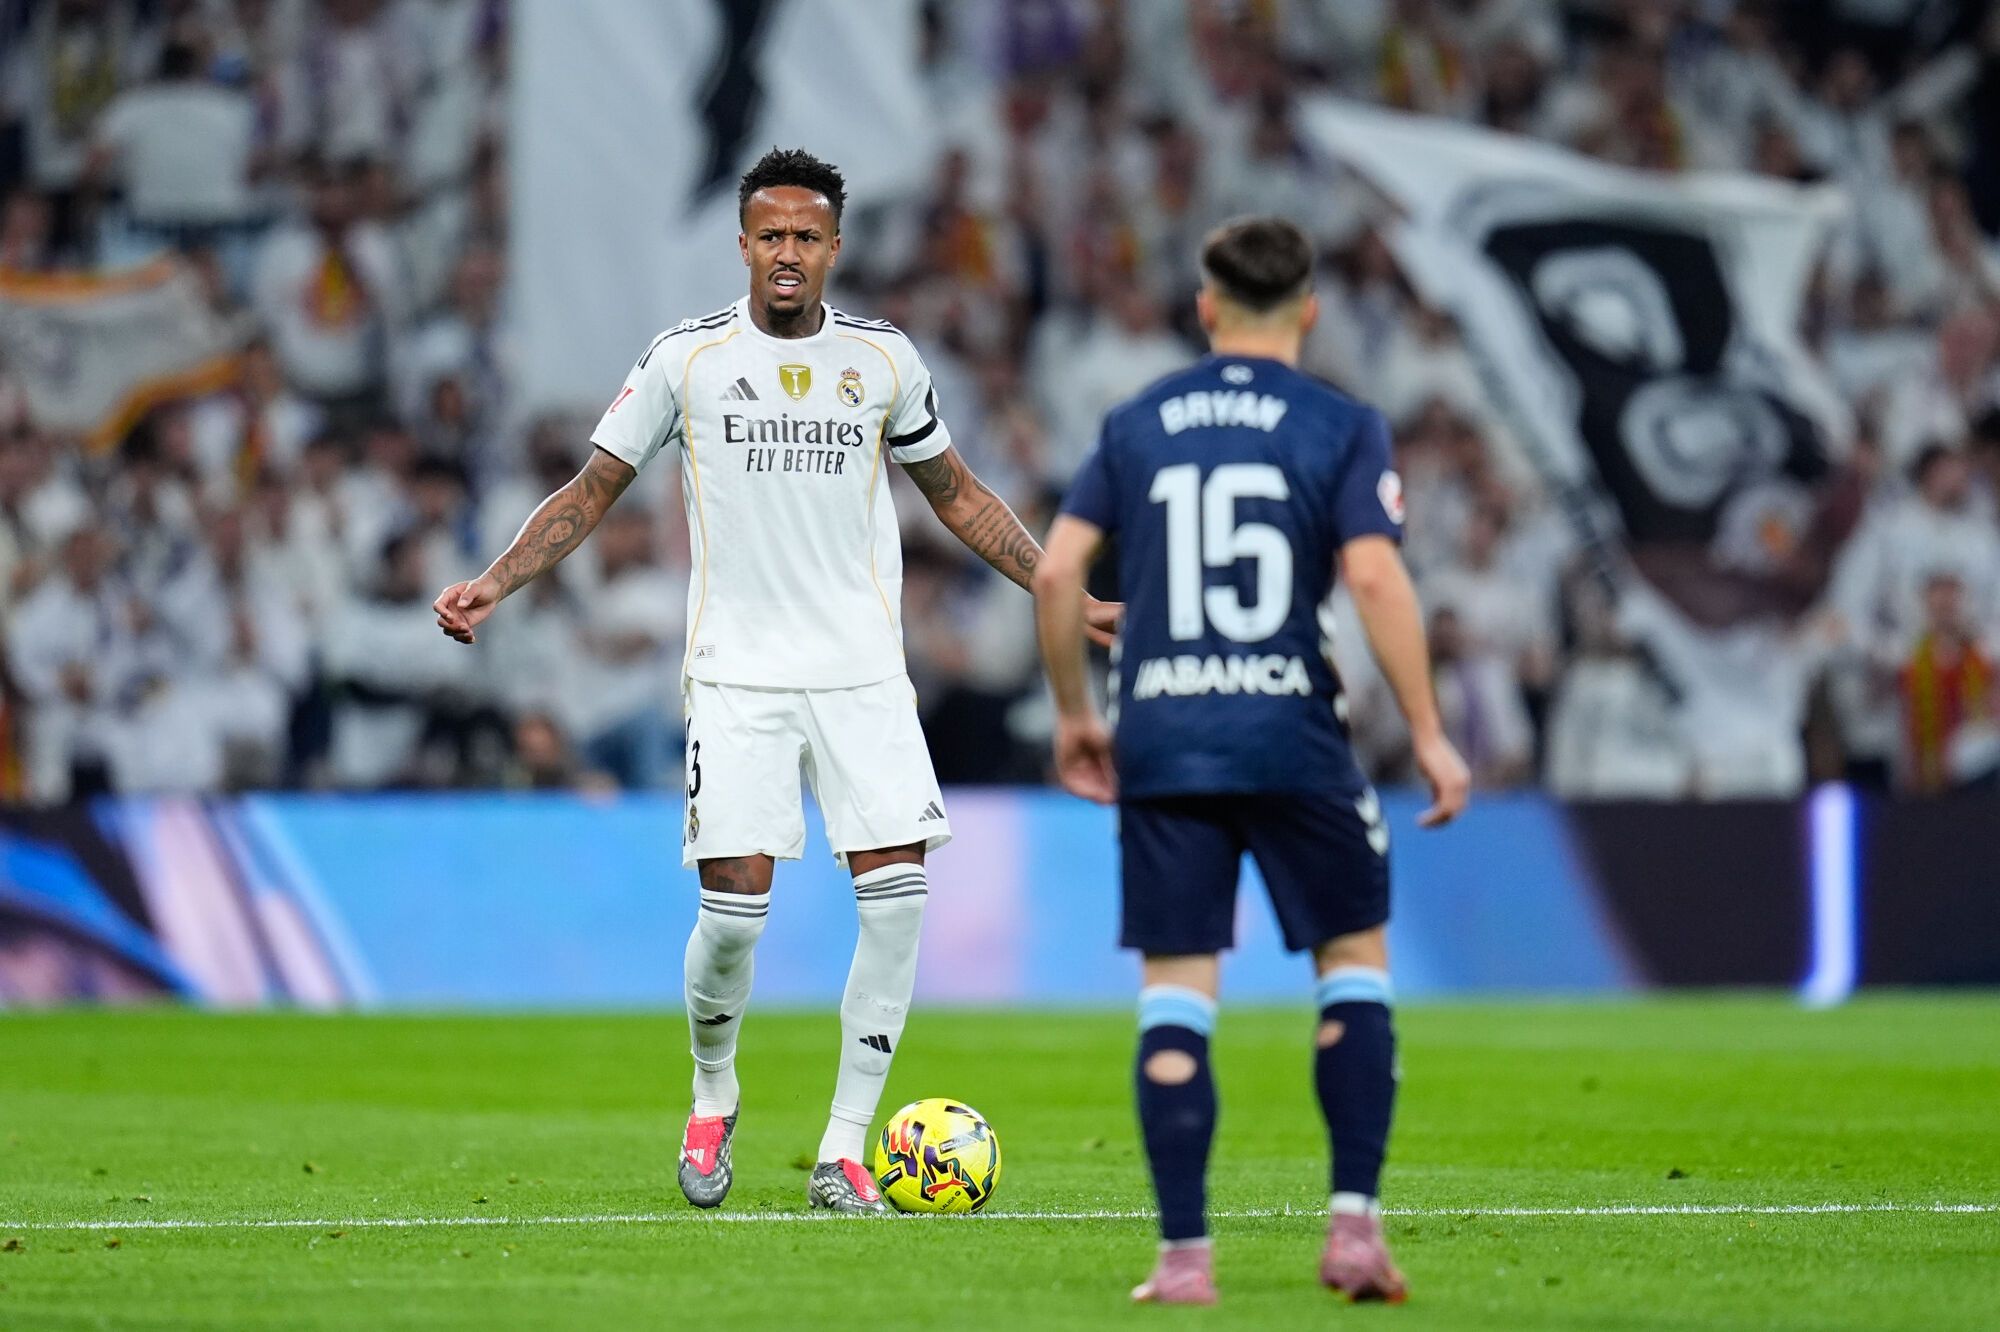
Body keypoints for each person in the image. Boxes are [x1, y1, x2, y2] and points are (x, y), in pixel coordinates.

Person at [432, 148, 1117, 1214]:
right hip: (739, 676)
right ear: (743, 244)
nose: (787, 253)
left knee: (894, 903)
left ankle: (845, 1151)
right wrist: (495, 580)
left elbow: (961, 496)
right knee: (734, 917)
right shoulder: (686, 360)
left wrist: (1054, 586)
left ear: (833, 249)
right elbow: (591, 488)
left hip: (860, 675)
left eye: (807, 237)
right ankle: (713, 1093)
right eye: (771, 236)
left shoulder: (884, 360)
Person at [1034, 216, 1469, 1305]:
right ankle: (1354, 1235)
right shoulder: (1339, 423)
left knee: (1177, 989)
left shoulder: (1138, 422)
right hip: (1291, 732)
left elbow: (1054, 578)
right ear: (1309, 311)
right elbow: (1371, 581)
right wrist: (1425, 731)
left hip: (1165, 735)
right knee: (1351, 963)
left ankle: (1184, 1259)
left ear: (1205, 307)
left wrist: (1075, 715)